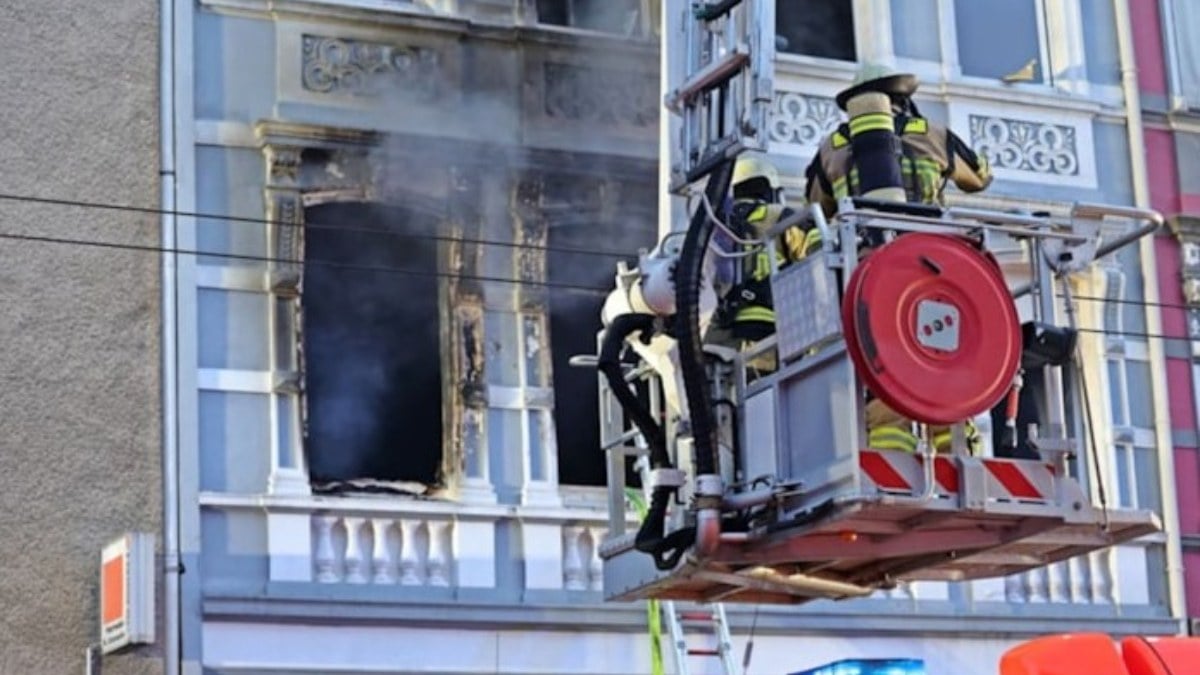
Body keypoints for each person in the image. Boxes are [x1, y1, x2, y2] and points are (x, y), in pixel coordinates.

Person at [803, 64, 993, 454]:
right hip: (931, 269)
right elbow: (979, 178)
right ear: (903, 99)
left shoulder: (831, 148)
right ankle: (956, 451)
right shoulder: (933, 135)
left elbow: (812, 213)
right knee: (941, 355)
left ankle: (891, 454)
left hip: (867, 274)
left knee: (884, 364)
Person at [709, 155, 817, 373]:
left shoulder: (714, 227)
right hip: (771, 328)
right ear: (768, 188)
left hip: (720, 331)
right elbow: (816, 255)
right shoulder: (779, 216)